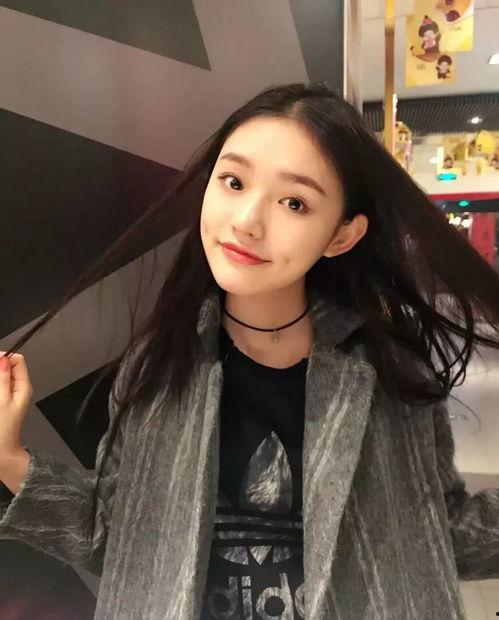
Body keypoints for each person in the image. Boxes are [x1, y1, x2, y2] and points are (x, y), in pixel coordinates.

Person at [1, 81, 499, 619]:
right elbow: (119, 544)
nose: (246, 221)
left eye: (294, 202)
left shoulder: (387, 374)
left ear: (342, 235)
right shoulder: (159, 367)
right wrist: (10, 460)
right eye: (234, 182)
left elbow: (440, 537)